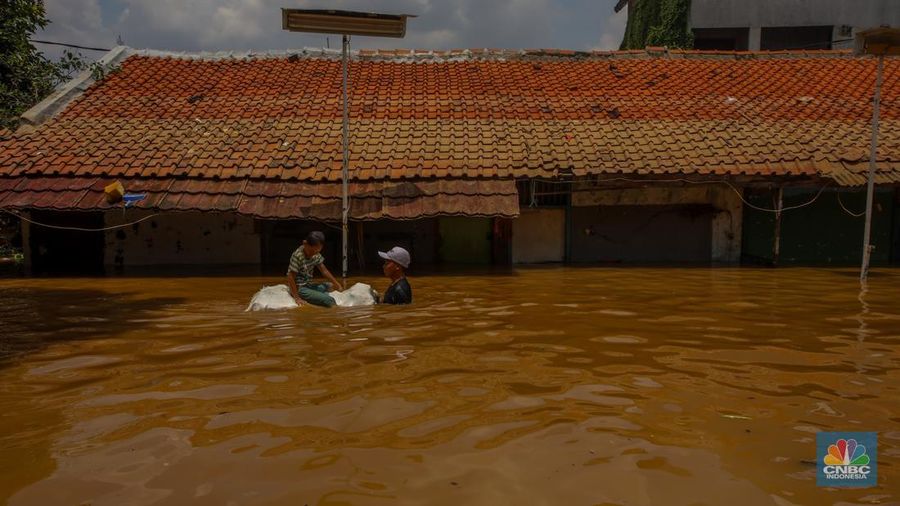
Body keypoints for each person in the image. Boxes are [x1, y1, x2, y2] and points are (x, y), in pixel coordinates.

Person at [286, 231, 343, 307]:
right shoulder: (297, 255)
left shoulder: (315, 254)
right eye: (312, 251)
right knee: (329, 300)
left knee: (330, 285)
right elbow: (290, 277)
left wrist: (337, 284)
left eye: (317, 251)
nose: (314, 253)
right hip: (300, 288)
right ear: (305, 244)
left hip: (309, 285)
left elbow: (324, 270)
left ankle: (318, 295)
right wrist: (297, 297)